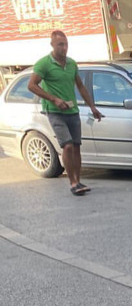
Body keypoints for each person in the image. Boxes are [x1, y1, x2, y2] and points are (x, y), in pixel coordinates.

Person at [27, 30, 104, 196]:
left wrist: (92, 107)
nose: (64, 48)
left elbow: (80, 86)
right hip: (55, 111)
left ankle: (78, 180)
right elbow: (31, 85)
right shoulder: (44, 64)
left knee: (76, 147)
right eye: (60, 44)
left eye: (66, 44)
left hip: (72, 110)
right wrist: (54, 99)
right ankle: (73, 182)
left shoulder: (71, 64)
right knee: (67, 145)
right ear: (52, 45)